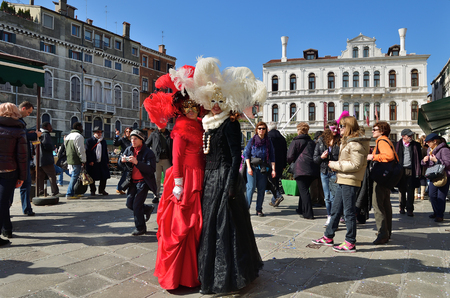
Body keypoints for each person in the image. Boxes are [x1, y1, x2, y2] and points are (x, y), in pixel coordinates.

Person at [189, 57, 264, 294]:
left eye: (221, 101)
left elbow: (235, 157)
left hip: (223, 178)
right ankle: (210, 274)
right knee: (210, 227)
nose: (217, 105)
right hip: (209, 179)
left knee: (224, 227)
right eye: (213, 101)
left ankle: (227, 277)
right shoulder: (207, 124)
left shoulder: (230, 124)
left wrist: (232, 183)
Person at [147, 69, 205, 289]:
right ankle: (177, 277)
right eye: (187, 107)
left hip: (198, 177)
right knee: (183, 226)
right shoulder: (180, 127)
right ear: (181, 108)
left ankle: (192, 273)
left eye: (194, 106)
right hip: (186, 179)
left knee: (196, 225)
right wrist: (179, 184)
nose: (191, 110)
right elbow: (177, 158)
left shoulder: (199, 125)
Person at [312, 116, 370, 252]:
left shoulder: (355, 144)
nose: (340, 129)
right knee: (336, 210)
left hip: (350, 180)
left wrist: (335, 165)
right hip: (343, 179)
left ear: (349, 127)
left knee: (348, 212)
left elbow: (356, 165)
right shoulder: (348, 142)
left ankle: (350, 242)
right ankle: (328, 236)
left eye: (342, 126)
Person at [118, 130, 156, 235]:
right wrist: (121, 161)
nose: (132, 141)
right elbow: (119, 164)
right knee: (129, 203)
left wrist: (137, 162)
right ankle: (147, 209)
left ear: (141, 140)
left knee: (137, 205)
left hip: (143, 182)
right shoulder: (128, 149)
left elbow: (151, 169)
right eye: (131, 139)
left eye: (135, 139)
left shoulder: (148, 152)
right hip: (132, 182)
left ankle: (140, 228)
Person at [0, 103, 27, 244]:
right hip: (9, 171)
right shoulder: (18, 130)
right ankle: (6, 229)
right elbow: (22, 157)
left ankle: (8, 229)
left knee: (2, 202)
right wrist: (22, 177)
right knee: (3, 202)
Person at [367, 121, 397, 244]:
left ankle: (382, 234)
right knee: (386, 205)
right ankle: (386, 231)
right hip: (387, 177)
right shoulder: (386, 140)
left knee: (378, 205)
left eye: (375, 129)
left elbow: (389, 156)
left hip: (381, 177)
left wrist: (373, 157)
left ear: (382, 131)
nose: (373, 131)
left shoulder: (382, 141)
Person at [287, 122, 320, 219]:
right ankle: (301, 209)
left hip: (300, 168)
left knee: (304, 191)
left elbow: (289, 156)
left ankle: (308, 213)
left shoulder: (296, 141)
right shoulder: (311, 142)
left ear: (298, 131)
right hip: (312, 169)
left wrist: (291, 162)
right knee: (304, 189)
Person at [244, 121, 276, 217]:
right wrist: (249, 167)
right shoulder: (252, 140)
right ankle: (246, 209)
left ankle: (259, 209)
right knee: (250, 188)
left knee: (261, 190)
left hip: (263, 168)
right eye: (259, 128)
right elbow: (246, 155)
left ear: (266, 130)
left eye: (263, 128)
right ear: (256, 130)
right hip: (252, 168)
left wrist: (273, 169)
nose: (261, 130)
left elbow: (272, 156)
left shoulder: (268, 142)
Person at [16, 101, 41, 216]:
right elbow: (20, 135)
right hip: (19, 158)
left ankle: (26, 209)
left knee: (25, 184)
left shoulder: (18, 121)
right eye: (28, 112)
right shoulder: (15, 120)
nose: (29, 114)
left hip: (22, 157)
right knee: (19, 184)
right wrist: (34, 135)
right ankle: (25, 209)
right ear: (23, 108)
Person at [313, 120, 340, 226]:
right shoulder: (321, 141)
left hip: (335, 171)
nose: (336, 130)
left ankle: (334, 218)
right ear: (328, 130)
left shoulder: (340, 140)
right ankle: (329, 216)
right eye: (333, 128)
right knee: (327, 197)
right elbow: (315, 159)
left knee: (334, 197)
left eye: (337, 128)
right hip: (324, 171)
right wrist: (322, 157)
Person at [421, 133, 450, 222]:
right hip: (433, 176)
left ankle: (439, 215)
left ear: (435, 141)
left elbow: (448, 163)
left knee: (441, 196)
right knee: (432, 195)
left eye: (428, 142)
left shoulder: (444, 150)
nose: (427, 144)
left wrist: (437, 160)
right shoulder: (430, 149)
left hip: (443, 176)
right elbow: (428, 165)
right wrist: (424, 161)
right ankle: (436, 211)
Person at [395, 129, 422, 217]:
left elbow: (419, 158)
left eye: (411, 135)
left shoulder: (416, 145)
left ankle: (410, 209)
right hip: (400, 170)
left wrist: (419, 171)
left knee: (411, 189)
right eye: (408, 136)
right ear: (403, 136)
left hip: (411, 170)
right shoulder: (397, 145)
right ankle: (402, 206)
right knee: (402, 190)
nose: (411, 137)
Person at [145, 126, 172, 204]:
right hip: (156, 160)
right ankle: (156, 196)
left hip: (167, 159)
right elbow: (146, 145)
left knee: (168, 179)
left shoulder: (170, 134)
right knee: (157, 179)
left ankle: (167, 195)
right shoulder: (154, 134)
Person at [85, 127, 110, 196]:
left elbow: (105, 152)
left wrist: (107, 161)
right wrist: (90, 160)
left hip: (102, 162)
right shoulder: (89, 141)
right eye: (98, 132)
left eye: (100, 132)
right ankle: (93, 190)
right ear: (94, 133)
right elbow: (88, 152)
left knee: (104, 176)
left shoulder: (103, 141)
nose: (99, 134)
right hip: (93, 162)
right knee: (92, 177)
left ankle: (102, 190)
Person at [37, 122, 60, 196]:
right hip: (46, 159)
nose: (51, 128)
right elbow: (47, 146)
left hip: (39, 160)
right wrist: (53, 147)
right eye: (50, 127)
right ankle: (55, 191)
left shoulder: (39, 134)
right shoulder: (46, 134)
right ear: (46, 127)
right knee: (52, 175)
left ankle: (40, 191)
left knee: (40, 176)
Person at [65, 122, 86, 199]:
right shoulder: (79, 136)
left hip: (69, 158)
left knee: (74, 175)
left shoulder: (68, 136)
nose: (82, 128)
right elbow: (81, 150)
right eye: (81, 127)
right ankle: (69, 193)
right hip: (76, 159)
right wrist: (83, 160)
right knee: (74, 176)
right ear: (78, 127)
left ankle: (72, 192)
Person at [267, 122, 287, 207]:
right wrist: (284, 165)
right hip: (280, 162)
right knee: (276, 180)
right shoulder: (282, 138)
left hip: (271, 162)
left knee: (270, 181)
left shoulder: (267, 137)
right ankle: (274, 200)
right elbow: (285, 152)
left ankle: (278, 195)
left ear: (268, 129)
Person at [113, 127, 132, 194]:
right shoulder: (123, 139)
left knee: (128, 174)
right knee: (126, 173)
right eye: (127, 131)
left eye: (129, 131)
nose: (128, 133)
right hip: (124, 160)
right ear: (125, 132)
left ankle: (121, 188)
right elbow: (115, 143)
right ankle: (119, 188)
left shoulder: (133, 140)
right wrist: (117, 135)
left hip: (131, 160)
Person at [415, 135, 428, 200]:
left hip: (417, 167)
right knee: (423, 180)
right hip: (424, 167)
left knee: (416, 180)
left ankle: (415, 194)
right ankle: (422, 195)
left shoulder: (415, 150)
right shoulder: (425, 150)